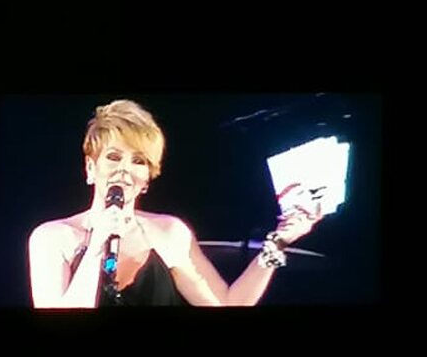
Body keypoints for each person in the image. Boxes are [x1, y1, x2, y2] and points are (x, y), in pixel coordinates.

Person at [27, 99, 327, 308]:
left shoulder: (169, 233)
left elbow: (226, 303)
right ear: (91, 169)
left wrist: (278, 243)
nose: (125, 169)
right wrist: (97, 245)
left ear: (147, 178)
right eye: (114, 157)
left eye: (139, 161)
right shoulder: (52, 238)